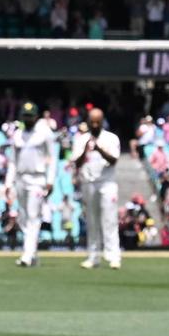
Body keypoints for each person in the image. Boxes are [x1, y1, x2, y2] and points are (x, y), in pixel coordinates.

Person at [6, 102, 57, 267]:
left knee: (34, 216)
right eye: (25, 116)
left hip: (38, 179)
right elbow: (13, 161)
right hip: (21, 178)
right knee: (22, 217)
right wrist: (8, 182)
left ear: (36, 116)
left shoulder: (45, 133)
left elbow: (53, 159)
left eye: (30, 116)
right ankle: (33, 253)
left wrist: (50, 181)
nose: (28, 119)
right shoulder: (18, 135)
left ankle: (27, 255)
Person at [73, 108, 123, 269]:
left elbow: (114, 160)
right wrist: (87, 149)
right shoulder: (81, 139)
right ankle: (93, 256)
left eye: (97, 121)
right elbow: (77, 163)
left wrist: (99, 149)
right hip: (88, 183)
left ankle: (113, 255)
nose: (94, 124)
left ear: (102, 122)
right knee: (92, 221)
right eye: (92, 121)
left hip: (107, 183)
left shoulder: (111, 138)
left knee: (109, 220)